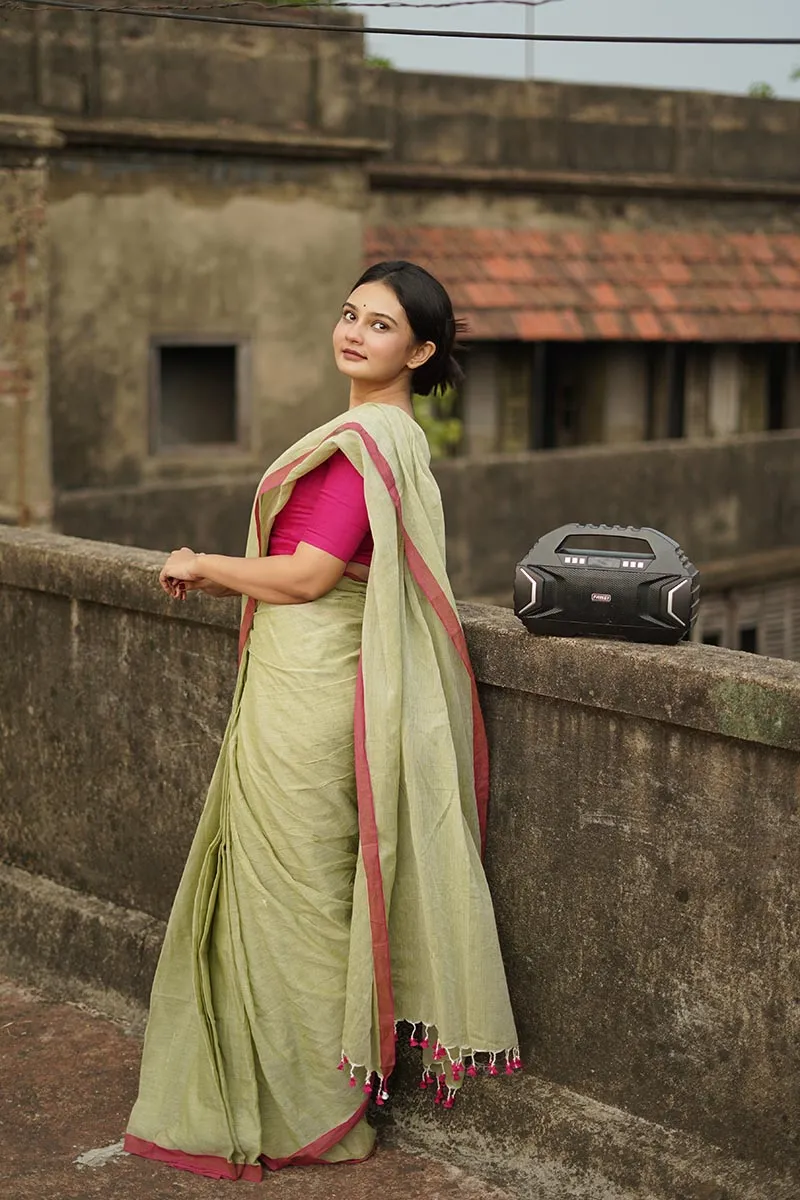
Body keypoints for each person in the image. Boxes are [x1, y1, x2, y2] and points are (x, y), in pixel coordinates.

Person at [123, 260, 520, 1181]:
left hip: (310, 694)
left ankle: (310, 1106)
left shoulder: (367, 440)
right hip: (312, 678)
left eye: (380, 326)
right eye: (349, 315)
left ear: (420, 351)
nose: (354, 333)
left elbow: (305, 575)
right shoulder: (393, 437)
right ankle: (287, 1090)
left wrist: (203, 561)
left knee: (293, 900)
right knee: (294, 892)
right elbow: (339, 570)